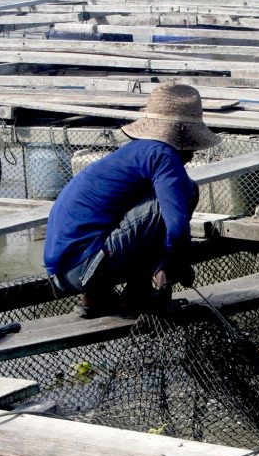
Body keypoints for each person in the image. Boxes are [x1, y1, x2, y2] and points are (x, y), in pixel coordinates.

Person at [44, 83, 221, 318]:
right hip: (82, 265)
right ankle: (138, 295)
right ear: (185, 140)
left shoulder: (139, 152)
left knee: (165, 200)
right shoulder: (163, 155)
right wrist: (176, 263)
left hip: (62, 271)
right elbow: (177, 230)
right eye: (192, 147)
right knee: (186, 192)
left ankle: (98, 297)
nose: (191, 156)